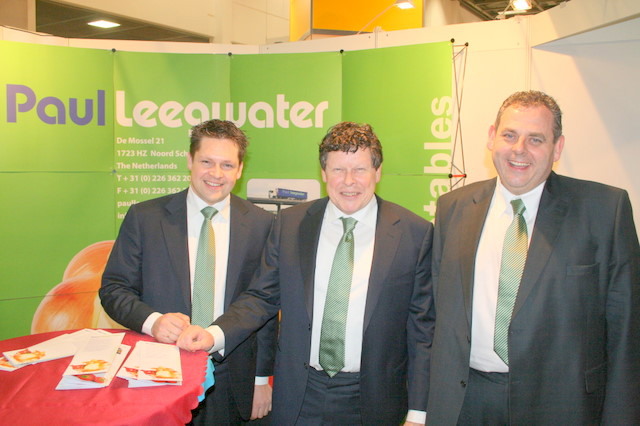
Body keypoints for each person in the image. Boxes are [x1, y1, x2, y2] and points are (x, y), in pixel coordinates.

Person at [177, 121, 435, 425]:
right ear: (323, 173)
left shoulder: (414, 234)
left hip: (374, 399)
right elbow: (261, 298)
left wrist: (418, 413)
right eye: (338, 170)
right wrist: (213, 334)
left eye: (360, 170)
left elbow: (422, 332)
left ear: (377, 172)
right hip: (299, 394)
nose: (348, 181)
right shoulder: (291, 224)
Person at [427, 90, 640, 424]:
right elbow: (438, 315)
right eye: (509, 135)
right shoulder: (453, 207)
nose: (519, 149)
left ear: (557, 148)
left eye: (535, 139)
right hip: (465, 400)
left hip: (559, 405)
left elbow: (626, 330)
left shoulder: (603, 210)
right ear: (491, 137)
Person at [100, 119, 277, 425]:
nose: (216, 174)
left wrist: (261, 379)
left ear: (239, 169)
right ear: (190, 160)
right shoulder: (145, 218)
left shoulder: (262, 224)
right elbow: (114, 289)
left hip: (232, 376)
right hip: (158, 371)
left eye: (227, 165)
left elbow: (265, 303)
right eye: (207, 162)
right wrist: (153, 322)